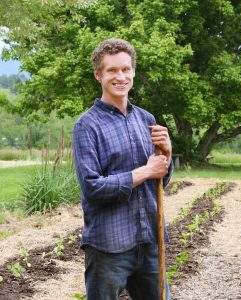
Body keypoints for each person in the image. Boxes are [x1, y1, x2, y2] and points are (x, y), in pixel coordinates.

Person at [73, 38, 174, 300]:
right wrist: (146, 171)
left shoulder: (147, 120)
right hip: (109, 247)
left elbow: (160, 180)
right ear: (98, 74)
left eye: (126, 69)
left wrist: (167, 155)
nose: (121, 76)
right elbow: (93, 188)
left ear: (133, 72)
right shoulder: (87, 126)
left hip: (149, 240)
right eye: (112, 70)